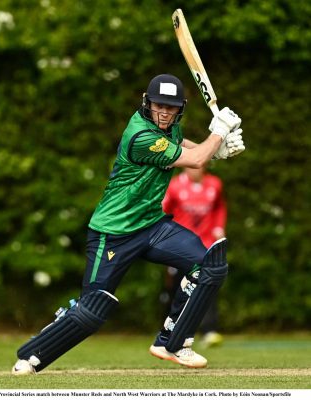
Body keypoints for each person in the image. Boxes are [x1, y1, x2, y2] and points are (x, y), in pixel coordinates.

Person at [12, 74, 245, 375]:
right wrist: (218, 134)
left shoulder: (170, 129)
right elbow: (197, 160)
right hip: (113, 233)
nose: (165, 113)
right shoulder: (141, 136)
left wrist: (219, 147)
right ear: (148, 104)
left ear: (179, 110)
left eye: (171, 108)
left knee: (209, 265)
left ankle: (172, 343)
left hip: (152, 226)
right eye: (159, 106)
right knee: (92, 311)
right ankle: (32, 355)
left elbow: (192, 151)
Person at [162, 166, 227, 347]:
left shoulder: (214, 184)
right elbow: (163, 212)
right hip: (180, 246)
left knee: (208, 284)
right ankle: (172, 330)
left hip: (205, 245)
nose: (196, 170)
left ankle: (209, 330)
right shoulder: (174, 186)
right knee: (177, 288)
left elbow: (219, 207)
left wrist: (218, 226)